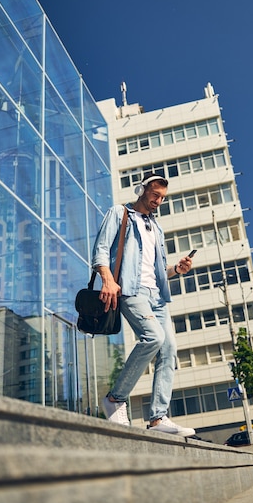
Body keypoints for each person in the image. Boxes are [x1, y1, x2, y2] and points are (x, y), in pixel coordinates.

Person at [92, 173, 195, 437]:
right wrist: (107, 280)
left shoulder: (156, 228)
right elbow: (101, 249)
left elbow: (159, 269)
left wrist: (177, 269)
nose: (158, 201)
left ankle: (158, 419)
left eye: (162, 198)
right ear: (142, 190)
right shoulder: (120, 213)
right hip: (130, 290)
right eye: (155, 195)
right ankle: (115, 399)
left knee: (169, 349)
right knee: (153, 337)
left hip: (157, 295)